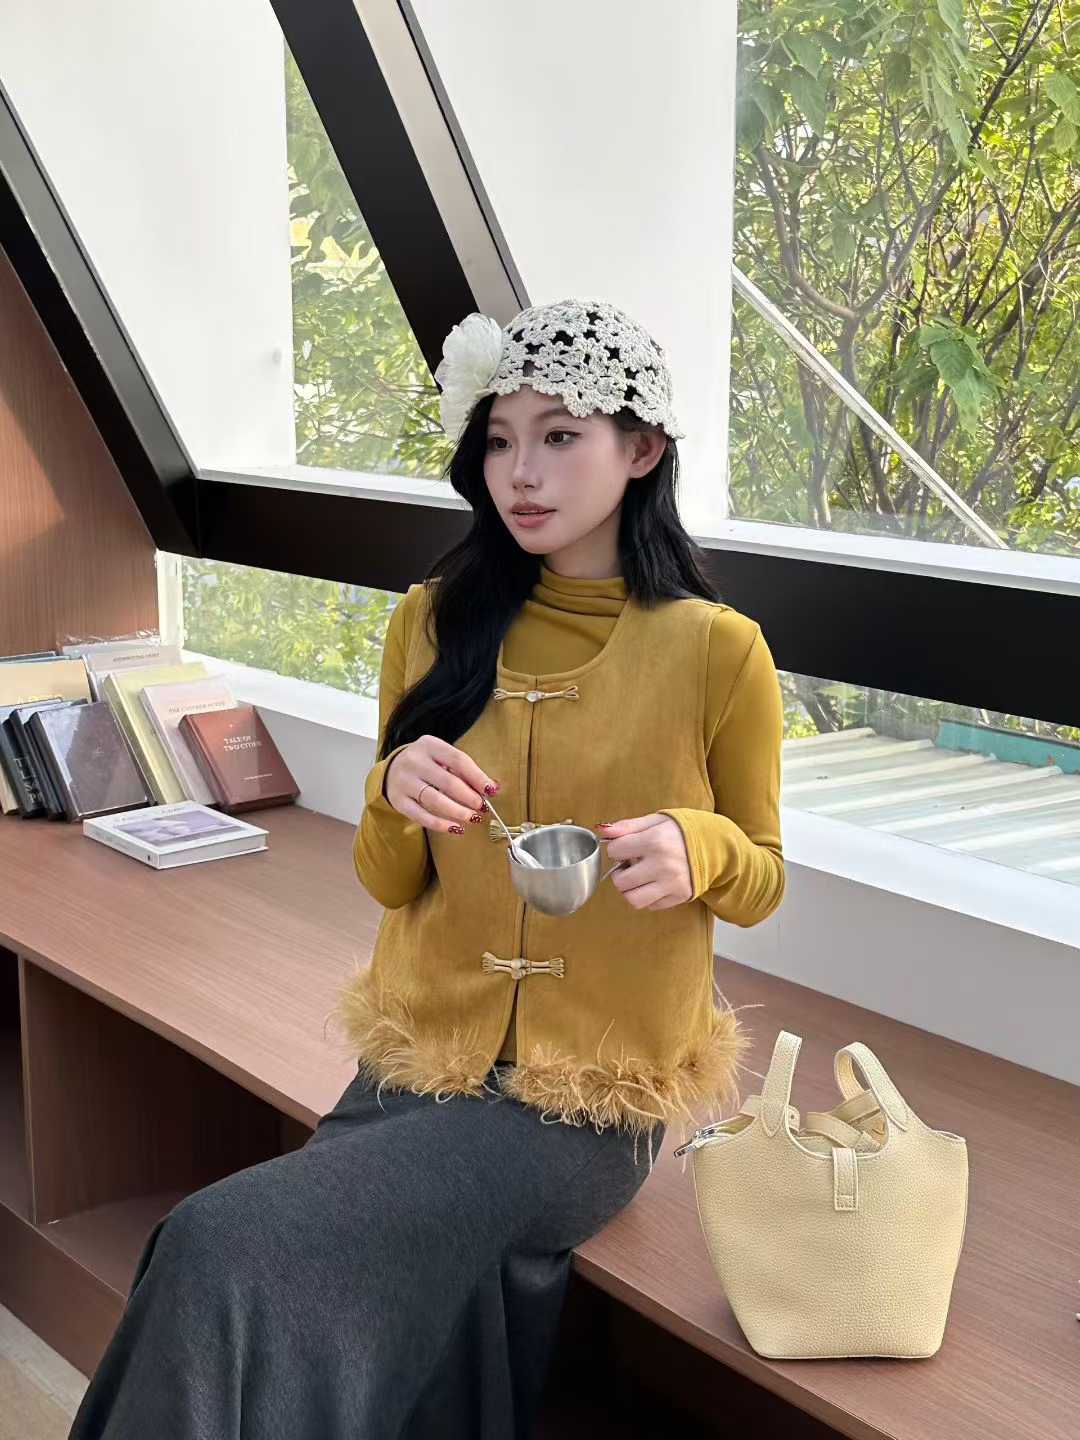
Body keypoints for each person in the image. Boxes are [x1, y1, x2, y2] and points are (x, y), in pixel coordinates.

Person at [67, 297, 785, 1439]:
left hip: (586, 1102)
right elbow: (388, 880)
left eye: (560, 436)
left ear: (642, 450)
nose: (521, 473)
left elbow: (764, 874)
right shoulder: (432, 622)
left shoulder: (718, 649)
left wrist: (696, 848)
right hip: (421, 1062)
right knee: (250, 1265)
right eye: (499, 440)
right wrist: (394, 786)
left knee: (217, 1240)